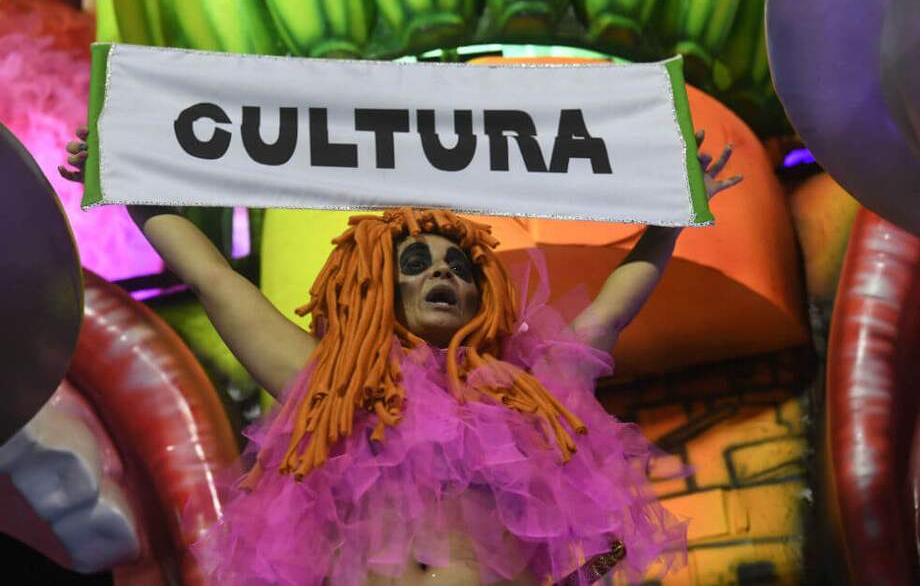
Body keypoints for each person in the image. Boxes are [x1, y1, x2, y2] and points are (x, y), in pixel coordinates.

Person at [61, 129, 740, 586]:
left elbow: (612, 308)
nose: (441, 272)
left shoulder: (527, 388)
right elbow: (215, 279)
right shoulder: (329, 381)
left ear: (483, 292)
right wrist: (129, 184)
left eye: (459, 264)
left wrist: (673, 216)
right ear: (377, 286)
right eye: (415, 261)